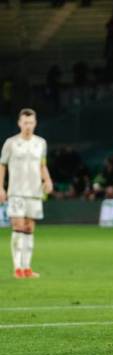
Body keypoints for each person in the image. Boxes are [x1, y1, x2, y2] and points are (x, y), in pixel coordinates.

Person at [0, 108, 53, 279]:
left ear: (35, 123)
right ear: (19, 123)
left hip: (34, 193)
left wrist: (48, 180)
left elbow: (42, 165)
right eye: (25, 122)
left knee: (29, 229)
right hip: (16, 192)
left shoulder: (41, 143)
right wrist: (0, 187)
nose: (28, 126)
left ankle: (27, 268)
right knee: (17, 227)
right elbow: (2, 165)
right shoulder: (11, 143)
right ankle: (17, 269)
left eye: (31, 122)